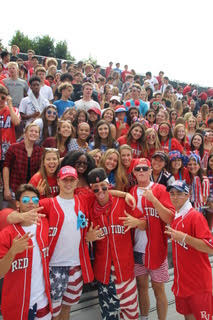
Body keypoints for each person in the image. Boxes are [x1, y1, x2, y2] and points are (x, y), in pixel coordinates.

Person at [86, 167, 146, 320]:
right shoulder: (89, 206)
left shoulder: (123, 202)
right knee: (109, 316)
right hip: (104, 272)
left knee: (131, 315)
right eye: (95, 189)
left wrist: (137, 222)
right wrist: (88, 238)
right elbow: (80, 236)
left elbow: (145, 224)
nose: (100, 191)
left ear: (109, 186)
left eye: (104, 187)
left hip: (125, 271)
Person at [130, 158, 175, 320]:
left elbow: (170, 218)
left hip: (157, 250)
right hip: (137, 251)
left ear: (150, 171)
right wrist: (140, 223)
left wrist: (154, 200)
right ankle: (144, 318)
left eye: (144, 169)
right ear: (134, 173)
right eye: (138, 169)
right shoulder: (131, 192)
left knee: (158, 289)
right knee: (141, 288)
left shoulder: (161, 189)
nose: (141, 172)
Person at [0, 183, 52, 320]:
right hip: (18, 306)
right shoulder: (7, 233)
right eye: (25, 200)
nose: (30, 203)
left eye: (34, 200)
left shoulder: (44, 223)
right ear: (17, 204)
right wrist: (12, 252)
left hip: (43, 302)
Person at [165, 180, 213, 320]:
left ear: (187, 195)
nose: (174, 197)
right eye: (172, 193)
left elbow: (210, 247)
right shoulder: (176, 216)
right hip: (182, 282)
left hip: (198, 285)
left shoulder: (195, 216)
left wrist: (184, 237)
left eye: (179, 193)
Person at [3, 123, 42, 208]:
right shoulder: (14, 147)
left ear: (39, 136)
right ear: (25, 133)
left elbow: (40, 170)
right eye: (31, 131)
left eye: (36, 132)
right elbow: (6, 167)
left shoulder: (39, 151)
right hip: (14, 188)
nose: (34, 133)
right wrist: (6, 189)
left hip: (30, 190)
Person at [0, 85, 21, 163]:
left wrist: (10, 105)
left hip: (8, 148)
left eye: (3, 98)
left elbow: (16, 122)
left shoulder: (13, 110)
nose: (0, 100)